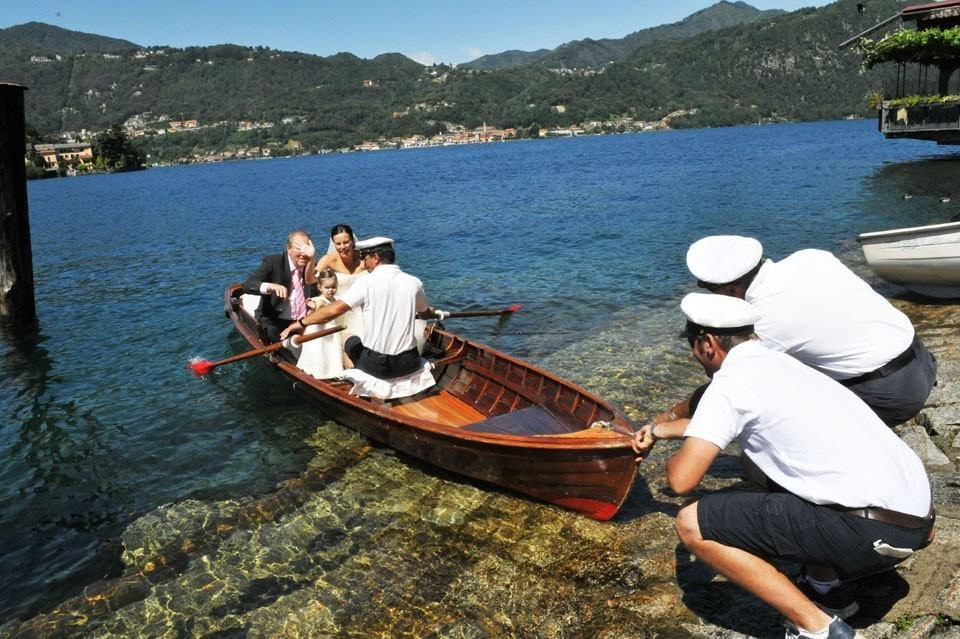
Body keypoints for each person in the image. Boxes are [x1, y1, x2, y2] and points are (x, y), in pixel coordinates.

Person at [632, 293, 934, 639]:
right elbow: (725, 423)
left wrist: (673, 456)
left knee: (691, 524)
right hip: (917, 520)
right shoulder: (780, 363)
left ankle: (818, 628)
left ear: (707, 343)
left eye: (692, 344)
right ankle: (827, 590)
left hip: (871, 535)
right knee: (770, 469)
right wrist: (658, 430)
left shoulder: (729, 385)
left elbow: (681, 480)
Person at [659, 235, 936, 426]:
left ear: (731, 289)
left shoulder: (766, 322)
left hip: (893, 393)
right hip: (922, 358)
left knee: (763, 417)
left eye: (711, 291)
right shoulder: (811, 257)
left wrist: (672, 416)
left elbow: (728, 384)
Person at [281, 237, 447, 379]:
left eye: (365, 257)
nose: (363, 262)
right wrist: (434, 312)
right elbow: (425, 314)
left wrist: (300, 323)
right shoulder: (414, 282)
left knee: (347, 337)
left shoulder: (366, 283)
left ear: (375, 258)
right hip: (409, 363)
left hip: (379, 367)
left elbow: (333, 311)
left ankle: (350, 374)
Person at [242, 229, 317, 343]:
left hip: (304, 321)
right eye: (298, 248)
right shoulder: (273, 262)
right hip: (275, 321)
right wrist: (270, 286)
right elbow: (248, 285)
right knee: (276, 342)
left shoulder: (311, 265)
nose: (303, 253)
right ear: (288, 248)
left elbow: (320, 287)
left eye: (306, 248)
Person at [309, 223, 366, 341]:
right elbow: (311, 279)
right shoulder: (329, 260)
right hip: (340, 309)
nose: (342, 247)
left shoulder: (364, 259)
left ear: (353, 242)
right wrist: (311, 257)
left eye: (346, 242)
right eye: (338, 244)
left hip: (364, 308)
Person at [295, 267, 346, 379]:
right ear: (320, 287)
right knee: (319, 351)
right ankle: (317, 371)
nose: (331, 290)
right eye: (327, 287)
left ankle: (332, 371)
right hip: (319, 332)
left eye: (333, 287)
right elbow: (315, 308)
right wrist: (313, 307)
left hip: (331, 330)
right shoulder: (320, 300)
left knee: (331, 350)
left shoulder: (335, 300)